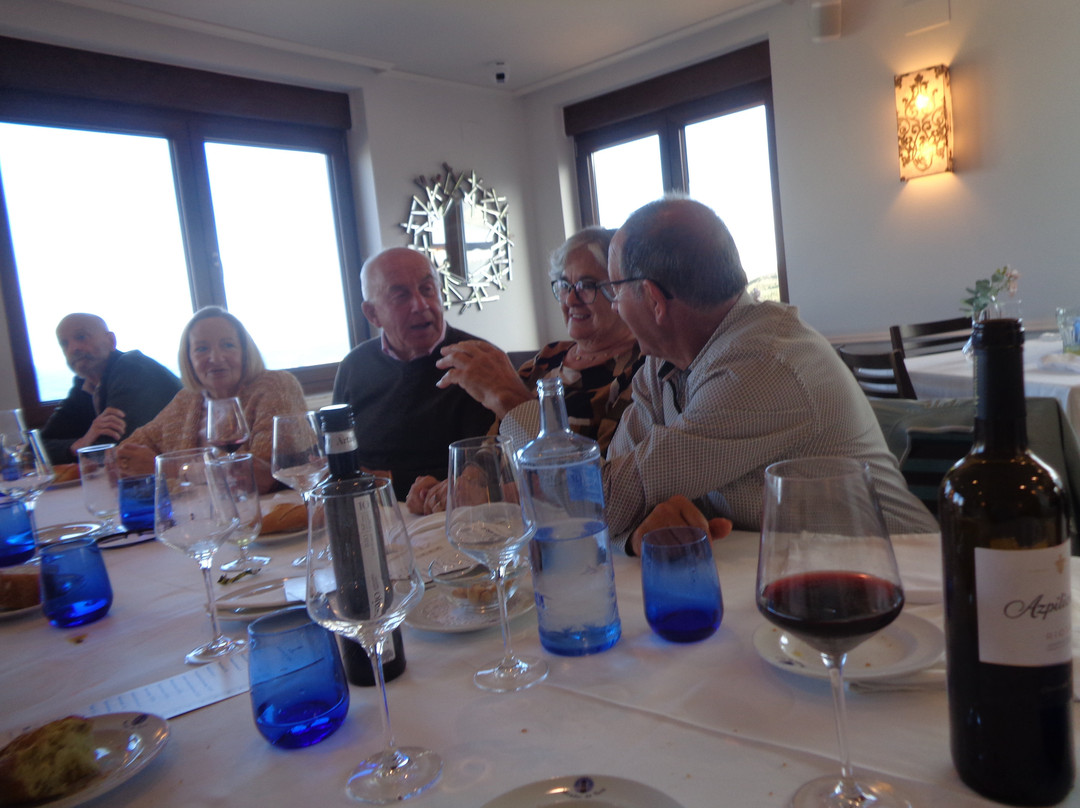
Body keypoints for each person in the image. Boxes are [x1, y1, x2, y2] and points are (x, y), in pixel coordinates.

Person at [501, 197, 940, 555]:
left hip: (909, 579)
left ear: (652, 300)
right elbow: (612, 499)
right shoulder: (661, 365)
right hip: (792, 571)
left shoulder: (765, 365)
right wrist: (634, 538)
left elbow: (597, 503)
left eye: (613, 291)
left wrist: (512, 407)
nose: (614, 306)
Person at [409, 227, 645, 514]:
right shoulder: (547, 358)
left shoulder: (641, 369)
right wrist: (453, 487)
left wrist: (490, 495)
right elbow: (494, 448)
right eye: (564, 285)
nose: (570, 299)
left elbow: (600, 482)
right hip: (510, 523)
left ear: (621, 289)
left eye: (587, 285)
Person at [331, 247, 495, 501]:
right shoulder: (353, 366)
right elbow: (337, 456)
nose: (420, 305)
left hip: (446, 511)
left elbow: (489, 466)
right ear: (372, 314)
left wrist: (386, 481)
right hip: (364, 508)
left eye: (427, 290)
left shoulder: (479, 361)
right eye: (401, 296)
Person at [117, 306, 307, 493]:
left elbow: (259, 476)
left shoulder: (276, 385)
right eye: (201, 349)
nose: (216, 358)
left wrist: (166, 469)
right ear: (189, 359)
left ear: (244, 352)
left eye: (228, 345)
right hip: (198, 510)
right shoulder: (187, 399)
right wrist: (114, 460)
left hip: (271, 508)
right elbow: (128, 452)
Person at [41, 313, 182, 464]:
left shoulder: (132, 368)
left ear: (110, 340)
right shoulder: (83, 386)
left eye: (81, 337)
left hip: (181, 469)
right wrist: (78, 445)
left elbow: (117, 449)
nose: (73, 348)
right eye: (64, 344)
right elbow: (36, 448)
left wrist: (85, 447)